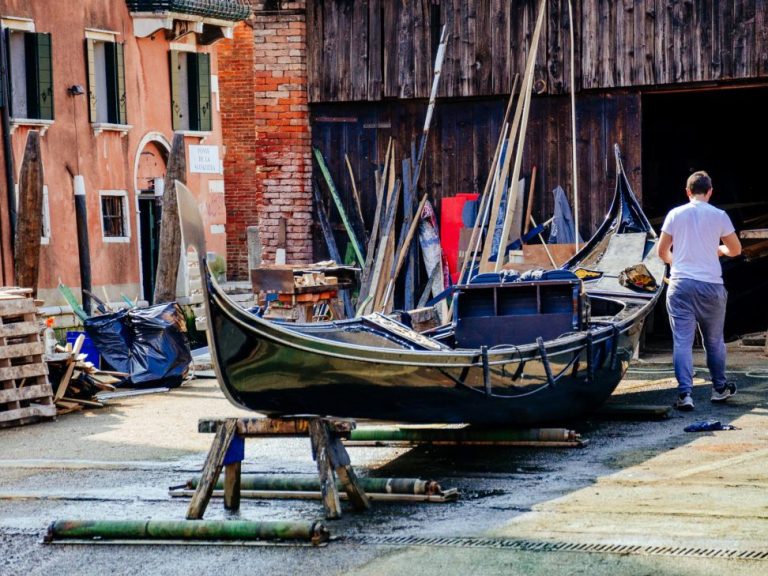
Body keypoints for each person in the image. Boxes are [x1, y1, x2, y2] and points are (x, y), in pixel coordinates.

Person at [657, 170, 742, 411]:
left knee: (682, 342)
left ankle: (685, 394)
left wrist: (682, 261)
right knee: (714, 341)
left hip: (681, 284)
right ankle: (719, 388)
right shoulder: (719, 216)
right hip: (711, 286)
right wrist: (719, 250)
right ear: (710, 192)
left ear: (687, 191)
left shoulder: (675, 214)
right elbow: (735, 250)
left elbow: (662, 253)